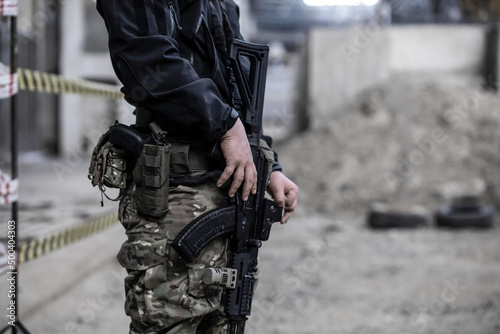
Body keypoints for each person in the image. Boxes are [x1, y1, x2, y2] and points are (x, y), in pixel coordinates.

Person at [96, 1, 299, 333]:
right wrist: (226, 127)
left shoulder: (222, 5)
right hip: (175, 194)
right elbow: (147, 61)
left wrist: (267, 163)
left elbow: (238, 97)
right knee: (170, 319)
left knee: (226, 318)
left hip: (231, 199)